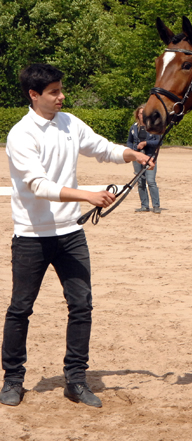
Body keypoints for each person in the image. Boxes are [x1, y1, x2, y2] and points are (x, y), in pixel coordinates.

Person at [1, 63, 154, 408]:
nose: (61, 96)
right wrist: (87, 195)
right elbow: (38, 186)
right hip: (31, 236)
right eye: (54, 91)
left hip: (70, 233)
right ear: (34, 95)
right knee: (20, 309)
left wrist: (132, 153)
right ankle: (12, 380)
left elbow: (102, 148)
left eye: (60, 89)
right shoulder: (21, 134)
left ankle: (76, 380)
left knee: (81, 306)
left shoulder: (69, 123)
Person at [127, 105, 162, 214]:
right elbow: (129, 141)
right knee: (140, 182)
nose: (142, 115)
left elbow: (159, 141)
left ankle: (156, 206)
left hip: (150, 156)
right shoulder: (134, 127)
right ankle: (144, 205)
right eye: (140, 113)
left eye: (144, 113)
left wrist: (146, 143)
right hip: (137, 157)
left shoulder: (153, 127)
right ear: (138, 115)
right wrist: (131, 150)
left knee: (151, 181)